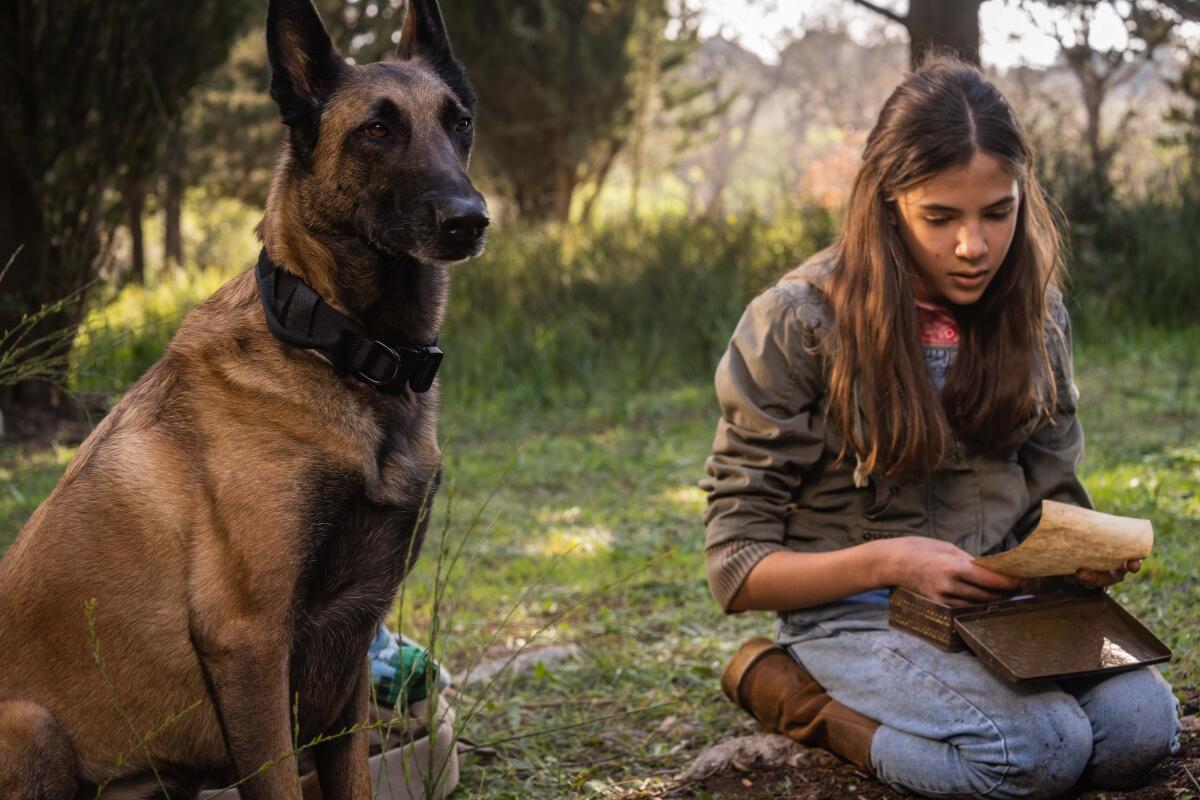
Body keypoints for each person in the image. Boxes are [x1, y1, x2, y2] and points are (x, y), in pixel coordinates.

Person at [701, 57, 1180, 799]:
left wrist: (1082, 554)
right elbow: (735, 565)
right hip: (858, 616)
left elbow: (1056, 497)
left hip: (1003, 612)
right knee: (1040, 751)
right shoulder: (796, 324)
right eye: (941, 217)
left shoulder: (1035, 312)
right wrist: (892, 561)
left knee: (1142, 726)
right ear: (887, 202)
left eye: (998, 211)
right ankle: (805, 700)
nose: (974, 246)